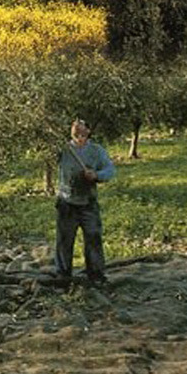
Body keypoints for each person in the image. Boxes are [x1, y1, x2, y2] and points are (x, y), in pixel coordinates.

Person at [54, 118, 116, 287]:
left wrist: (96, 175)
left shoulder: (96, 151)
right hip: (66, 202)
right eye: (75, 132)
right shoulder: (62, 149)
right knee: (64, 239)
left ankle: (96, 274)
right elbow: (44, 153)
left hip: (88, 202)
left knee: (93, 237)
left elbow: (110, 170)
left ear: (88, 132)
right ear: (71, 132)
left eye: (82, 131)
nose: (79, 135)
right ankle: (63, 275)